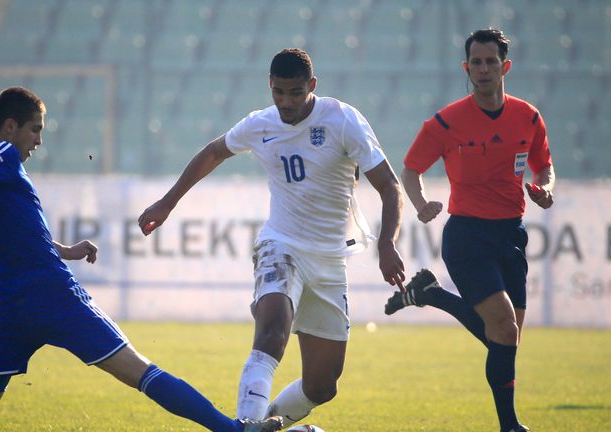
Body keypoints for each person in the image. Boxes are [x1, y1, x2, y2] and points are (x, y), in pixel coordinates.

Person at [0, 86, 282, 432]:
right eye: (35, 129)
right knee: (141, 371)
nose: (39, 141)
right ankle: (235, 431)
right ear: (10, 126)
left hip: (9, 307)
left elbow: (14, 238)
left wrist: (66, 250)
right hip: (53, 297)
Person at [138, 48, 405, 428]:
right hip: (280, 245)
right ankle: (244, 424)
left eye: (295, 92)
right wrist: (167, 203)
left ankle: (261, 424)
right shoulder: (260, 124)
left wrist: (387, 243)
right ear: (270, 86)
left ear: (312, 86)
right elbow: (214, 152)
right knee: (272, 332)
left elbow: (390, 187)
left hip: (329, 261)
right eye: (278, 92)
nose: (286, 102)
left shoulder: (343, 120)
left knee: (323, 385)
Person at [386, 29, 555, 432]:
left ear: (505, 66)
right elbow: (410, 169)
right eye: (475, 62)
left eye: (490, 61)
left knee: (506, 338)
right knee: (503, 329)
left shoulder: (528, 116)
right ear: (466, 67)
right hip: (467, 236)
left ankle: (430, 294)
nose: (483, 69)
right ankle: (509, 425)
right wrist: (421, 203)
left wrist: (546, 188)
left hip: (511, 235)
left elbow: (544, 164)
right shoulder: (446, 122)